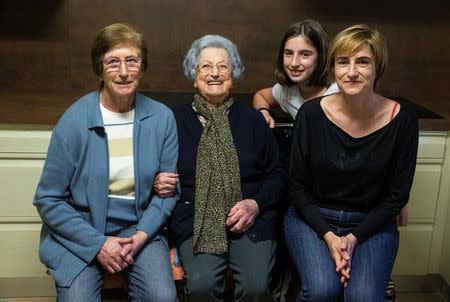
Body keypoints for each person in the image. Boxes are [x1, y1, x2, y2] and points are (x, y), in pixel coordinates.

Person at [33, 23, 178, 302]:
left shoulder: (162, 119)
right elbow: (48, 199)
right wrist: (98, 244)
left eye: (132, 61)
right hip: (83, 229)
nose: (123, 72)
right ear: (99, 68)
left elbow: (168, 193)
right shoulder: (74, 122)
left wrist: (142, 235)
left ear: (142, 66)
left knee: (161, 297)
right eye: (113, 62)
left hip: (140, 227)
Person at [284, 24, 419, 302]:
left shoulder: (402, 119)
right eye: (343, 62)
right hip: (313, 219)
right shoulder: (310, 115)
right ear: (333, 67)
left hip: (372, 224)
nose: (352, 71)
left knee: (364, 297)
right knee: (323, 291)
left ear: (378, 68)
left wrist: (353, 238)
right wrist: (331, 237)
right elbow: (296, 187)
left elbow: (397, 196)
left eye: (363, 62)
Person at [160, 34, 285, 302]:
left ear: (233, 74)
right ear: (194, 75)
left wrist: (255, 204)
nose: (214, 73)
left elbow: (278, 174)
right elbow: (156, 169)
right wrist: (157, 179)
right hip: (196, 222)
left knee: (257, 287)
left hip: (252, 221)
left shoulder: (254, 121)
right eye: (206, 66)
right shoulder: (172, 121)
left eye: (223, 66)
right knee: (202, 287)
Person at [252, 19, 339, 128]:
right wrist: (263, 112)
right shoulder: (286, 92)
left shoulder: (338, 91)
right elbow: (260, 96)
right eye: (289, 53)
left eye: (305, 54)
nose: (294, 63)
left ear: (321, 57)